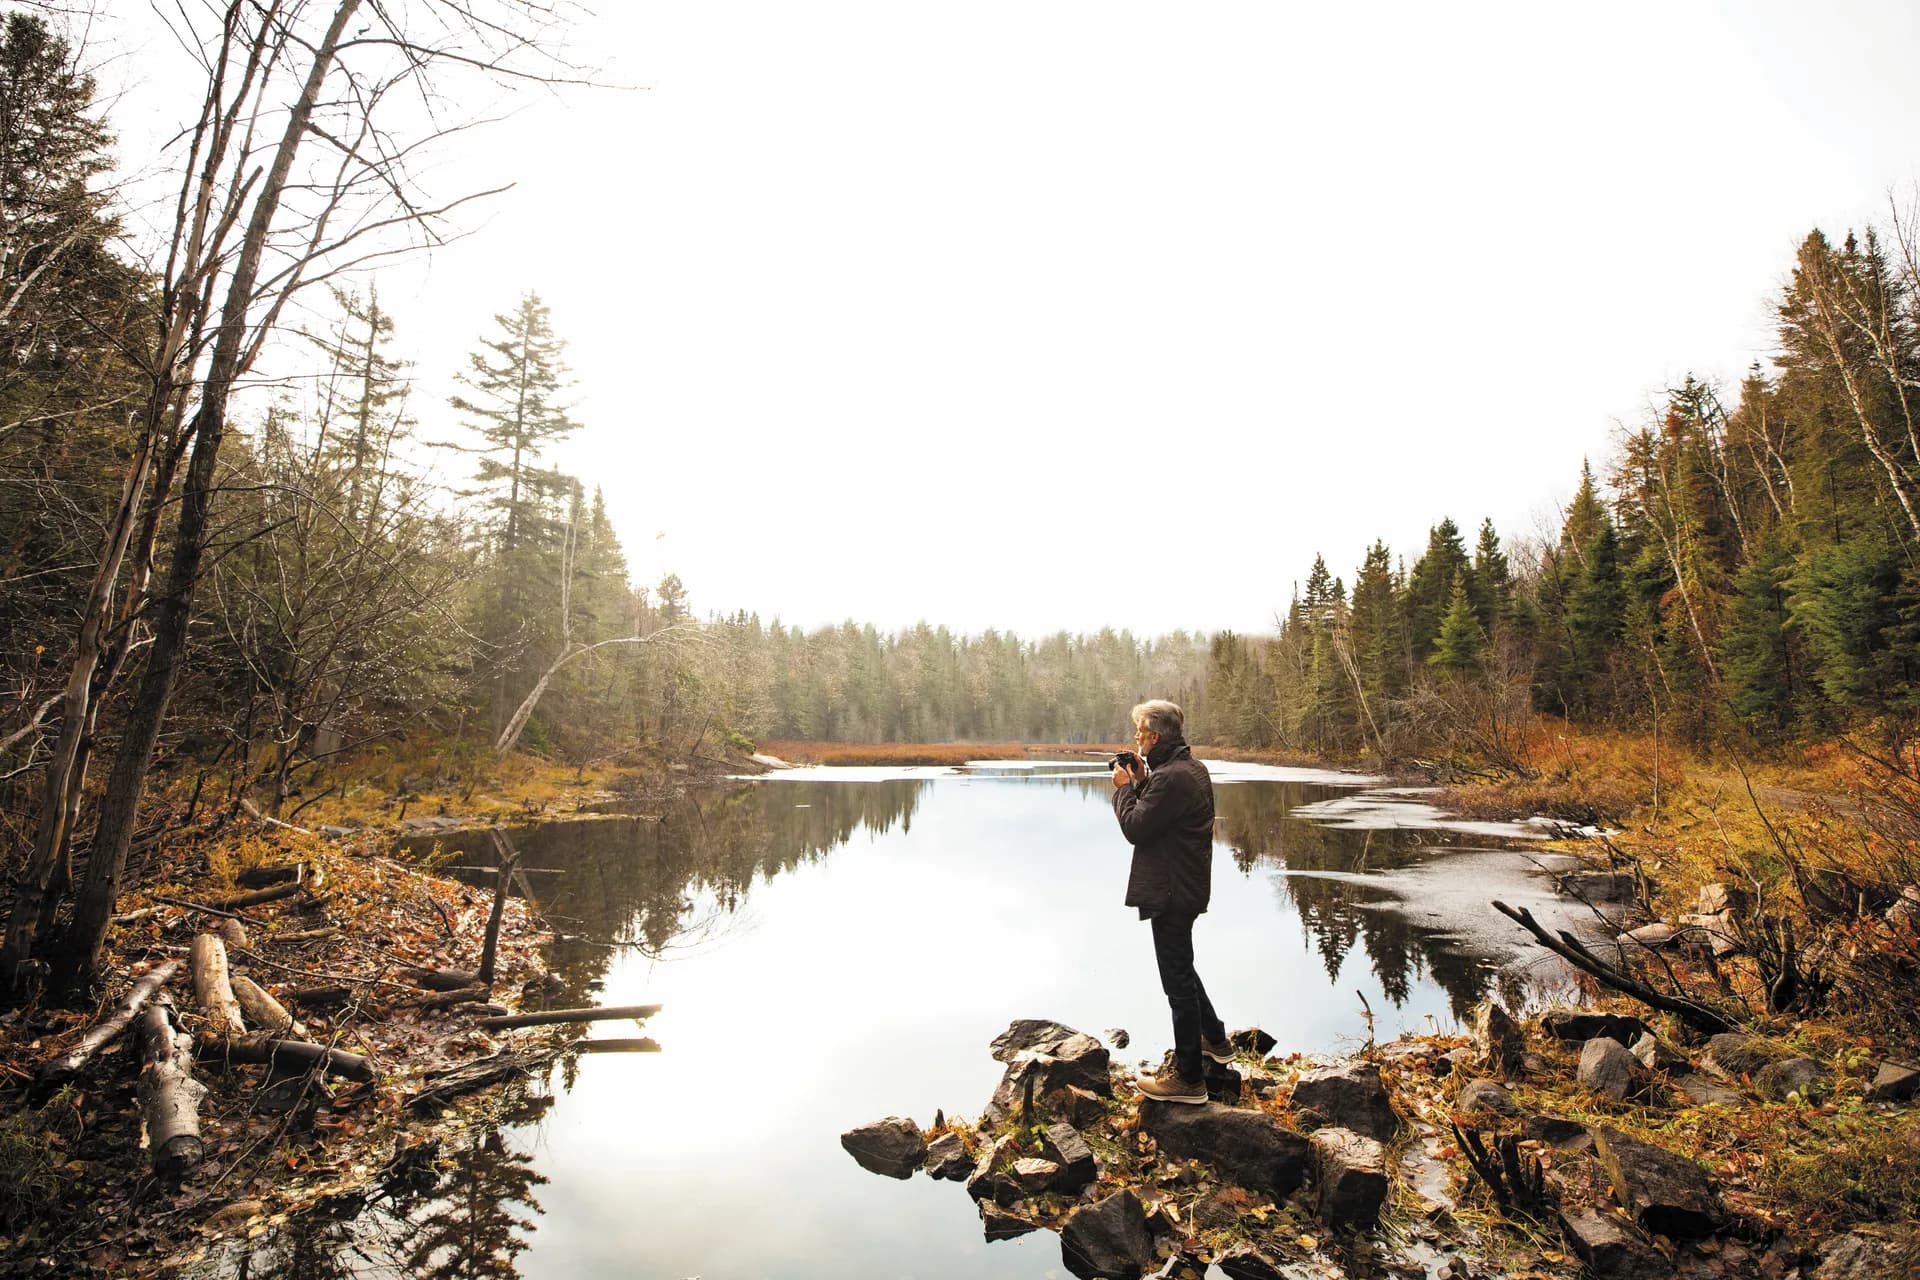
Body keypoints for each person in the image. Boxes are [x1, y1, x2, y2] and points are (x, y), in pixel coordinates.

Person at [1110, 698, 1232, 1104]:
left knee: (1176, 982)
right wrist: (1143, 780)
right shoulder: (1186, 770)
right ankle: (1215, 1039)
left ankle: (1188, 1079)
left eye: (1140, 732)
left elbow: (1136, 826)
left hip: (1172, 892)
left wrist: (1124, 789)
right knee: (1183, 966)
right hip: (1185, 886)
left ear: (1156, 735)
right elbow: (1161, 814)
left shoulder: (1173, 777)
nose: (1136, 738)